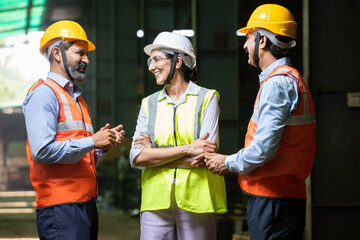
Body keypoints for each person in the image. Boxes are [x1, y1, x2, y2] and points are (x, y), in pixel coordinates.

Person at [193, 4, 316, 240]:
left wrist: (227, 162)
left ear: (262, 41)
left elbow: (262, 150)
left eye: (249, 38)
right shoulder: (289, 79)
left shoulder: (277, 85)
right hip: (283, 195)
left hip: (272, 199)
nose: (245, 45)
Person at [22, 20, 125, 240]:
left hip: (84, 203)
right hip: (60, 206)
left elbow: (78, 155)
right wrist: (92, 142)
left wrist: (101, 147)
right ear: (57, 53)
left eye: (87, 55)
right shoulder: (44, 95)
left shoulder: (78, 101)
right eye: (80, 53)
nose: (86, 60)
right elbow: (42, 151)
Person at [129, 31, 227, 240]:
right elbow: (136, 157)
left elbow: (205, 159)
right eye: (150, 60)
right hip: (155, 202)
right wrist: (187, 148)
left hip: (198, 201)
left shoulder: (207, 98)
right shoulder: (149, 104)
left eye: (157, 59)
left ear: (178, 61)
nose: (151, 66)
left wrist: (154, 155)